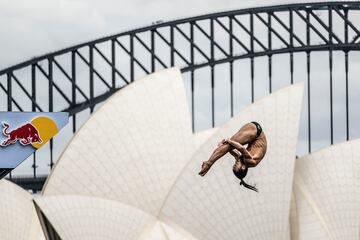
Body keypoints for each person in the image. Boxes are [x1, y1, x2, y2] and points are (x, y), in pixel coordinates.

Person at [198, 122, 267, 192]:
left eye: (235, 163)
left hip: (254, 133)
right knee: (228, 146)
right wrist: (229, 141)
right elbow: (241, 148)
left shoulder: (243, 161)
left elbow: (232, 152)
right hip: (256, 132)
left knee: (227, 147)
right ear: (243, 167)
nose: (236, 162)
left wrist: (221, 146)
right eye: (236, 164)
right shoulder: (251, 162)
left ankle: (209, 162)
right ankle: (209, 163)